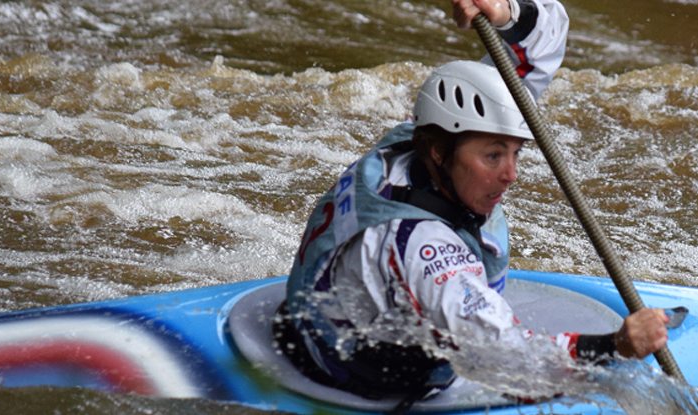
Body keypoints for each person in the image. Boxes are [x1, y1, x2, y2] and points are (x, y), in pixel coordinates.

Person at [276, 0, 670, 404]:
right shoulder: (421, 246)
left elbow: (542, 42)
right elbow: (512, 359)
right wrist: (615, 345)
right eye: (493, 156)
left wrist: (504, 12)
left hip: (339, 305)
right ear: (440, 153)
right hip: (354, 373)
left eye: (516, 152)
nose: (510, 174)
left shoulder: (419, 139)